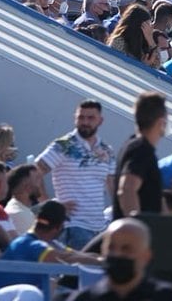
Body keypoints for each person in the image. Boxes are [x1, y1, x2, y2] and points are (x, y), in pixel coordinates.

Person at [36, 99, 117, 250]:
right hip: (72, 224)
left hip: (99, 226)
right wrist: (48, 204)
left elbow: (112, 185)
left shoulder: (107, 150)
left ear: (100, 121)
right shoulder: (63, 145)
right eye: (81, 117)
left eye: (90, 118)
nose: (85, 122)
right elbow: (34, 172)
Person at [0, 200, 104, 293]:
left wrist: (101, 257)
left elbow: (73, 253)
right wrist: (105, 262)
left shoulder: (48, 243)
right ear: (58, 228)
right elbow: (64, 258)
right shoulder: (30, 244)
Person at [67, 217, 172, 301]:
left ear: (146, 256)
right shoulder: (85, 298)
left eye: (127, 249)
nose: (117, 254)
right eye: (111, 248)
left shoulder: (166, 296)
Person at [114, 92, 168, 219]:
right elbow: (127, 189)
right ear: (161, 122)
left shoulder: (136, 146)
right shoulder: (141, 149)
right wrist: (137, 229)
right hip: (133, 237)